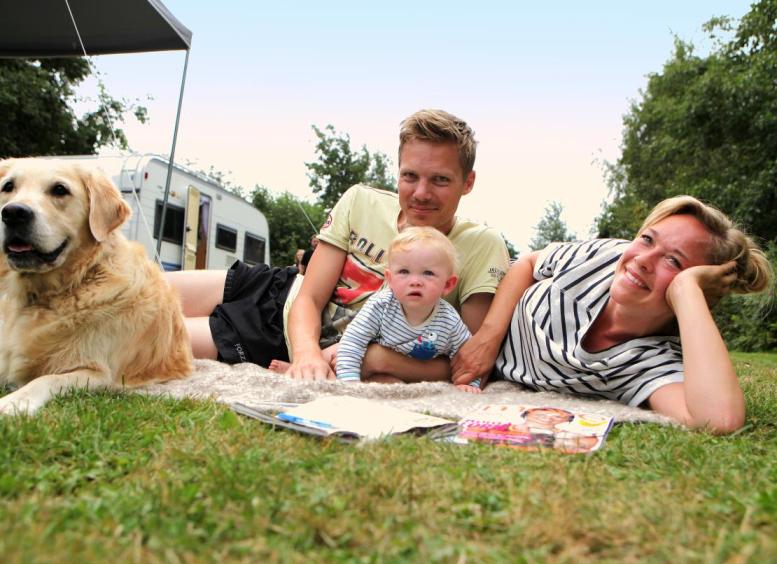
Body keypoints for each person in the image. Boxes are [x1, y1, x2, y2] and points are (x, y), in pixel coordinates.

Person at [166, 109, 509, 379]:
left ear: (468, 183)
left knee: (150, 334)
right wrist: (307, 356)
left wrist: (377, 360)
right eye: (410, 176)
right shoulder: (360, 200)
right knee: (138, 290)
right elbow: (310, 296)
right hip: (280, 289)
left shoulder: (481, 245)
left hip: (272, 336)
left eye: (440, 180)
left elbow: (465, 360)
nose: (421, 193)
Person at [452, 195, 773, 434]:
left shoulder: (650, 362)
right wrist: (488, 337)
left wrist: (688, 289)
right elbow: (529, 263)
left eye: (674, 262)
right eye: (647, 239)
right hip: (469, 321)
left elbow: (718, 420)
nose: (643, 260)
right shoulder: (604, 256)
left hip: (471, 370)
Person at [336, 226, 480, 392]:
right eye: (404, 271)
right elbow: (352, 342)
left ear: (447, 285)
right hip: (376, 370)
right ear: (390, 279)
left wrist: (468, 383)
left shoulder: (449, 320)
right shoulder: (380, 305)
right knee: (384, 382)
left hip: (422, 376)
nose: (415, 281)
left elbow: (468, 356)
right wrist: (349, 383)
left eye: (428, 273)